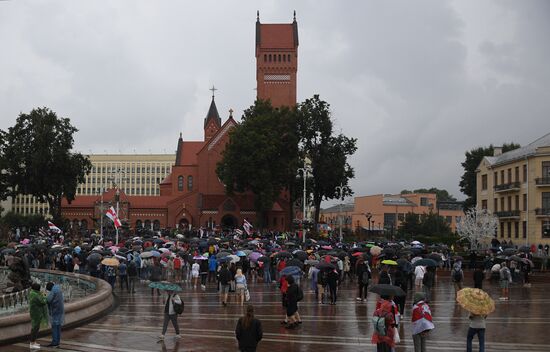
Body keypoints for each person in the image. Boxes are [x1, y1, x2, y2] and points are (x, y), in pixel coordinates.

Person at [29, 283, 48, 350]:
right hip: (36, 314)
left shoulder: (33, 293)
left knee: (35, 328)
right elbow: (43, 302)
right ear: (37, 289)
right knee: (35, 328)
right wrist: (45, 295)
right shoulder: (35, 295)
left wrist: (41, 294)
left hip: (35, 313)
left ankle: (33, 342)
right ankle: (32, 343)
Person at [46, 282, 64, 348]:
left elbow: (48, 300)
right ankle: (57, 342)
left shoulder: (53, 290)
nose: (49, 291)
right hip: (60, 310)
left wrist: (44, 297)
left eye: (49, 290)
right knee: (58, 327)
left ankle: (54, 343)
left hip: (55, 311)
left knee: (54, 327)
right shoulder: (58, 288)